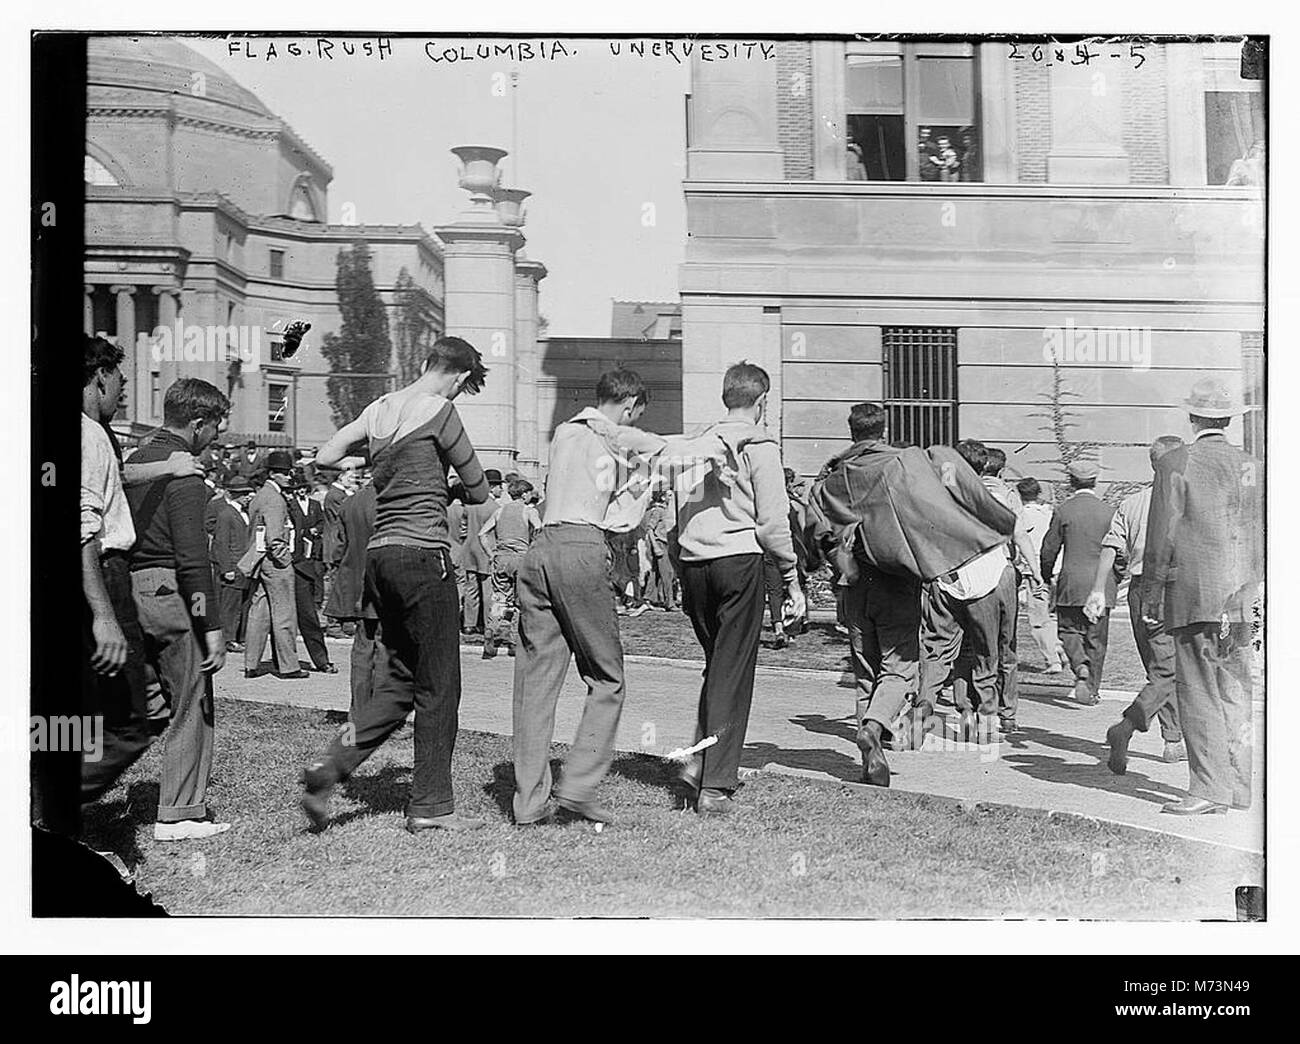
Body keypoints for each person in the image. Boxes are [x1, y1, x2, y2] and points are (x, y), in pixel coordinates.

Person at [301, 336, 491, 833]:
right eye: (464, 385)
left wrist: (372, 468)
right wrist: (440, 484)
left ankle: (330, 768)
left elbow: (325, 455)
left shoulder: (379, 409)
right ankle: (431, 807)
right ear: (458, 377)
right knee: (440, 685)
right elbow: (479, 490)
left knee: (402, 679)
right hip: (424, 554)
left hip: (380, 559)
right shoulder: (440, 412)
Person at [511, 369, 712, 825]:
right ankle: (578, 786)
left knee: (536, 682)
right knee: (607, 678)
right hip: (581, 549)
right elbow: (661, 455)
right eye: (638, 412)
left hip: (540, 548)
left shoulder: (566, 432)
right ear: (629, 405)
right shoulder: (615, 434)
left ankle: (527, 804)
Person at [810, 408, 1016, 783]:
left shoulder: (833, 476)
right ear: (884, 430)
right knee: (899, 669)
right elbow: (931, 509)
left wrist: (837, 564)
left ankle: (869, 760)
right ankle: (873, 727)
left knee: (865, 672)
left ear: (851, 430)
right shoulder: (901, 464)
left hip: (854, 587)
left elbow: (817, 530)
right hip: (896, 583)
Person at [672, 362, 805, 814]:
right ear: (762, 401)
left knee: (717, 667)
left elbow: (678, 513)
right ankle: (716, 785)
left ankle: (697, 766)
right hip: (738, 562)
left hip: (694, 564)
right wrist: (789, 575)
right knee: (733, 672)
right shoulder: (760, 446)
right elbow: (773, 523)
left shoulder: (695, 444)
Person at [1142, 379, 1263, 815]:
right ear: (1227, 419)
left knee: (1196, 689)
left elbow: (1163, 533)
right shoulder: (1253, 464)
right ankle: (1241, 786)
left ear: (1192, 418)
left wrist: (1151, 591)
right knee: (1236, 688)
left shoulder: (1176, 460)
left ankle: (1209, 789)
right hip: (1243, 596)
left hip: (1194, 593)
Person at [124, 377, 231, 841]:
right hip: (170, 590)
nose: (215, 439)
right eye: (215, 429)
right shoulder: (183, 473)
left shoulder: (134, 461)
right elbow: (191, 556)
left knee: (147, 701)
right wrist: (210, 625)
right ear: (198, 423)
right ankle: (182, 813)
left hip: (130, 588)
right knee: (193, 698)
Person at [79, 336, 163, 826]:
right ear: (101, 376)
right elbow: (85, 528)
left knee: (80, 717)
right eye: (120, 382)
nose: (121, 394)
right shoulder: (89, 434)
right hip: (102, 576)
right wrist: (104, 617)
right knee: (131, 722)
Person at [915, 439, 1023, 746]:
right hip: (987, 578)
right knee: (987, 653)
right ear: (985, 465)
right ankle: (985, 722)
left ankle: (928, 705)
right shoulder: (992, 494)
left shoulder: (939, 493)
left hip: (946, 579)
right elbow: (1013, 532)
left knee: (940, 649)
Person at [1090, 436, 1187, 774]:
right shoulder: (1186, 500)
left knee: (1159, 668)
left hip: (1140, 589)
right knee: (1174, 669)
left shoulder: (1131, 503)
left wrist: (1098, 590)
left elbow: (1110, 548)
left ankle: (1173, 740)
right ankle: (1132, 728)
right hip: (1176, 587)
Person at [1040, 459, 1116, 705]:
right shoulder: (1109, 511)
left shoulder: (1064, 510)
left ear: (1070, 481)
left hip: (1071, 583)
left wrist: (1046, 574)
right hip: (1102, 585)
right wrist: (1117, 577)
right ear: (1096, 481)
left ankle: (1079, 665)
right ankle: (1091, 689)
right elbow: (1120, 551)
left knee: (1068, 630)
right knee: (1096, 639)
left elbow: (1048, 549)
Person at [978, 447, 1042, 733]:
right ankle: (1008, 714)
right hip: (1004, 570)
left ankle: (984, 713)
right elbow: (1020, 536)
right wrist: (1035, 570)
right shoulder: (1010, 495)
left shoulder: (966, 492)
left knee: (980, 645)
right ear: (1001, 471)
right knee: (1007, 645)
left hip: (974, 574)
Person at [240, 450, 306, 679]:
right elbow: (275, 538)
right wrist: (285, 561)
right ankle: (289, 667)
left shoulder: (260, 495)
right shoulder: (275, 499)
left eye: (289, 472)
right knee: (284, 613)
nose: (288, 476)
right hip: (275, 562)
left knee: (259, 613)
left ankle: (251, 665)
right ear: (272, 474)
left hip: (260, 559)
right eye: (284, 472)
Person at [323, 479, 384, 716]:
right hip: (384, 582)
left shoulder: (350, 502)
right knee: (386, 652)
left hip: (356, 583)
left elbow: (340, 546)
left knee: (362, 650)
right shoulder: (391, 503)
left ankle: (358, 713)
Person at [478, 476, 542, 658]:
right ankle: (514, 641)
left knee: (499, 599)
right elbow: (539, 529)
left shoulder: (500, 511)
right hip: (521, 559)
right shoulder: (529, 511)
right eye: (529, 493)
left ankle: (491, 630)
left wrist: (491, 554)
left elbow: (482, 533)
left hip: (500, 559)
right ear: (524, 495)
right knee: (520, 600)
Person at [1016, 477, 1070, 674]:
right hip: (1057, 568)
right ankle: (1058, 648)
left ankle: (1052, 658)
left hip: (1035, 571)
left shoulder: (1021, 515)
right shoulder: (1050, 512)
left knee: (1038, 618)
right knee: (1052, 615)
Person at [287, 472, 336, 673]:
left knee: (309, 612)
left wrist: (315, 530)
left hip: (310, 560)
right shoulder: (288, 506)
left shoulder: (315, 505)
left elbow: (322, 523)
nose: (300, 492)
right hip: (293, 562)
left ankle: (321, 660)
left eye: (303, 488)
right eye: (296, 489)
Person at [210, 476, 254, 652]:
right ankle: (228, 638)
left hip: (245, 565)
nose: (248, 497)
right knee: (230, 605)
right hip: (234, 566)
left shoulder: (245, 513)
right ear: (236, 495)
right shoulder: (226, 514)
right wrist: (226, 568)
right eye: (244, 494)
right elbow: (221, 543)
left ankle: (240, 636)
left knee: (243, 603)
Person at [459, 469, 501, 634]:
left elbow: (463, 529)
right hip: (487, 550)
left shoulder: (469, 506)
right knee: (488, 591)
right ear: (491, 487)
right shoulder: (496, 508)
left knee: (471, 589)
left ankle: (469, 624)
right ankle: (488, 624)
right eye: (498, 486)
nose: (501, 490)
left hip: (470, 551)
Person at [642, 490, 677, 610]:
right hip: (659, 543)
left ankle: (649, 598)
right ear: (662, 497)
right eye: (669, 495)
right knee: (667, 573)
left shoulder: (664, 511)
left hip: (663, 543)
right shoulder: (658, 511)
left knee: (655, 572)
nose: (671, 498)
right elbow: (649, 529)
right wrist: (656, 546)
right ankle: (670, 602)